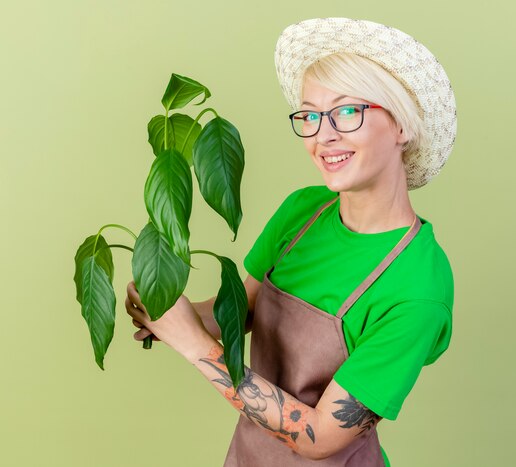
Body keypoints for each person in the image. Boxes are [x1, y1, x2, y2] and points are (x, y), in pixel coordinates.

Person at [126, 17, 457, 467]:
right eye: (310, 115)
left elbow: (319, 437)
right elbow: (241, 309)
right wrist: (167, 307)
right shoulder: (303, 211)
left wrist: (192, 345)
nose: (323, 136)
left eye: (346, 111)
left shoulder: (418, 289)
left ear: (401, 125)